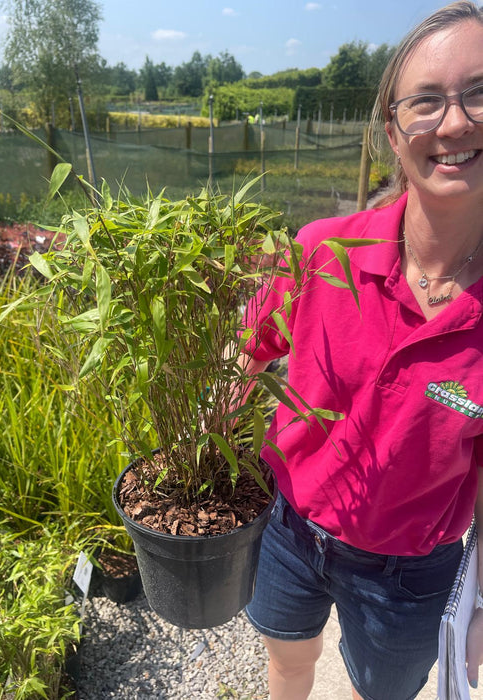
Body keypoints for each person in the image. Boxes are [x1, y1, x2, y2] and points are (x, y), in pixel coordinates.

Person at [236, 2, 483, 698]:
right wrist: (200, 459)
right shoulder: (321, 251)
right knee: (288, 661)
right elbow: (248, 353)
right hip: (289, 527)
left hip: (409, 570)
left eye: (478, 92)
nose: (455, 122)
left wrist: (481, 600)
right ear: (392, 133)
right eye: (425, 102)